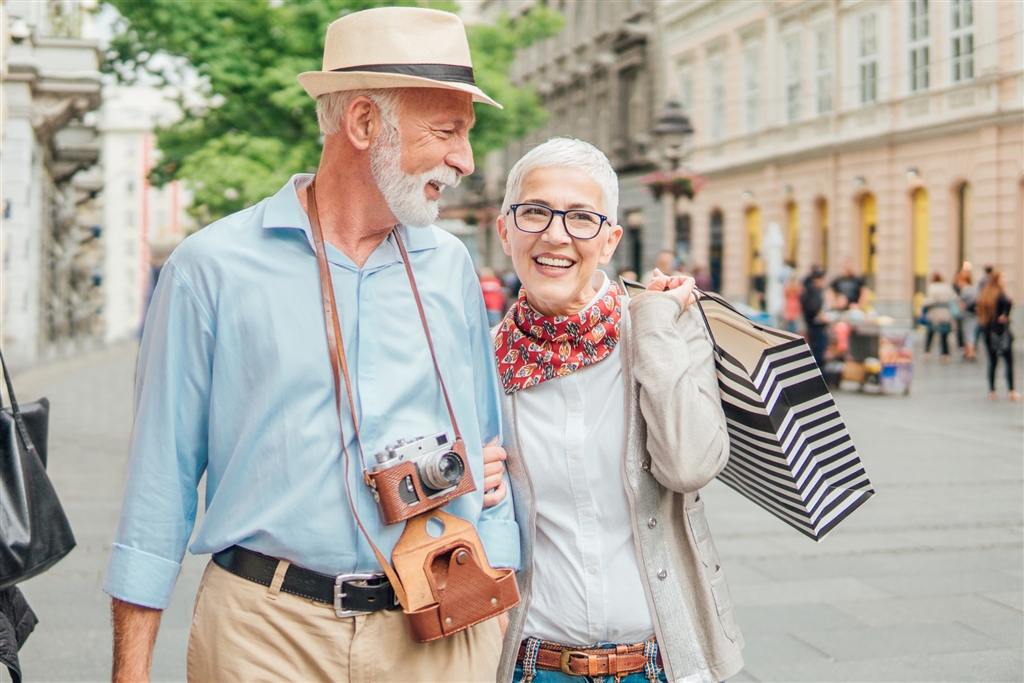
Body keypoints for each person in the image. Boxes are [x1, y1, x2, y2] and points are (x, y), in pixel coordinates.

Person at [103, 8, 519, 682]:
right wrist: (131, 670)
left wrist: (495, 604)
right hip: (262, 638)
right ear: (362, 123)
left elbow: (490, 448)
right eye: (446, 132)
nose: (465, 161)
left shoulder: (450, 268)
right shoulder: (210, 267)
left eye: (466, 136)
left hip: (438, 625)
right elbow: (159, 481)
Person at [490, 138, 743, 683]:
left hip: (658, 663)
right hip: (529, 665)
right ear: (505, 229)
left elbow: (689, 465)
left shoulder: (665, 332)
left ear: (608, 241)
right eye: (535, 212)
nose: (555, 235)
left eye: (581, 218)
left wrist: (651, 322)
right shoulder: (483, 359)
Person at [975, 270, 1020, 401]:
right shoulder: (1001, 296)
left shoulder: (986, 296)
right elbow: (1008, 304)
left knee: (993, 361)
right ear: (997, 281)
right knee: (1008, 360)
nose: (1005, 281)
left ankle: (992, 390)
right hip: (1001, 332)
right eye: (1003, 278)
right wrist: (1004, 315)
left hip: (988, 332)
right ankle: (1011, 390)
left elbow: (974, 307)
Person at [923, 271, 957, 362]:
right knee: (944, 335)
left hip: (934, 312)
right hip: (945, 313)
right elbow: (954, 298)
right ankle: (945, 354)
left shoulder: (932, 288)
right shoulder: (947, 287)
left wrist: (924, 304)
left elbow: (930, 300)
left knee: (930, 333)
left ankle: (927, 352)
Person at [801, 267, 829, 369]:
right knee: (819, 355)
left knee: (814, 351)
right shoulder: (815, 291)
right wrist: (821, 316)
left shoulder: (807, 289)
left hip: (810, 326)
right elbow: (814, 308)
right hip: (816, 327)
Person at [958, 271, 980, 362]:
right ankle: (972, 352)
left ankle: (970, 353)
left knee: (968, 333)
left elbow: (962, 305)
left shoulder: (964, 290)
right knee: (973, 333)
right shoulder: (975, 289)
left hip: (967, 315)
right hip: (975, 315)